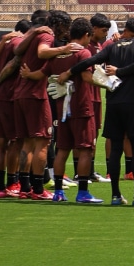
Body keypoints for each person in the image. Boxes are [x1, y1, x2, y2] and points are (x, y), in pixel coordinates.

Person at [58, 18, 134, 206]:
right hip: (133, 103)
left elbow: (91, 60)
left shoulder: (112, 47)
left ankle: (116, 195)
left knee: (115, 148)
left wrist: (69, 72)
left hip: (113, 103)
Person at [10, 10, 78, 200]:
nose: (66, 33)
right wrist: (62, 50)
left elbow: (18, 51)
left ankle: (24, 187)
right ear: (60, 25)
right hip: (35, 95)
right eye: (65, 27)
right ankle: (38, 190)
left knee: (27, 143)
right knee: (42, 141)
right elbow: (42, 52)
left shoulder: (36, 34)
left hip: (20, 93)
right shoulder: (47, 35)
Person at [45, 18, 101, 203]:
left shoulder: (57, 54)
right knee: (85, 150)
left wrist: (28, 74)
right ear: (86, 35)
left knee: (62, 150)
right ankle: (83, 192)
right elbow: (86, 77)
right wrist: (107, 82)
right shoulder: (83, 53)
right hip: (81, 107)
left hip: (62, 110)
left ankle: (59, 192)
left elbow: (42, 74)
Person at [0, 18, 30, 198]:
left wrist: (3, 40)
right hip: (8, 95)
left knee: (1, 143)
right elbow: (12, 66)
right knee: (16, 141)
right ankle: (12, 182)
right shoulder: (19, 43)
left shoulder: (7, 41)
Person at [87, 13, 114, 183]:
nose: (105, 34)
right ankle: (81, 171)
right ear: (93, 29)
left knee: (94, 134)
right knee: (86, 135)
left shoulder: (98, 45)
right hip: (87, 95)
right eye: (103, 31)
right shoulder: (86, 46)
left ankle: (90, 171)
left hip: (96, 95)